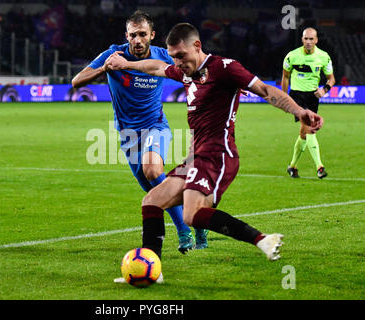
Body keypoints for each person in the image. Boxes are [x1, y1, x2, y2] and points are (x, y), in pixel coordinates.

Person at [107, 23, 324, 281]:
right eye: (173, 56)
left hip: (218, 154)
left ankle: (262, 239)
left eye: (181, 56)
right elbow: (155, 67)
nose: (177, 62)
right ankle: (152, 271)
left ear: (197, 46)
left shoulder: (225, 68)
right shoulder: (184, 72)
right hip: (196, 155)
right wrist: (126, 65)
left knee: (191, 214)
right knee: (151, 201)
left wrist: (299, 111)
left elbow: (265, 90)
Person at [72, 11, 208, 252]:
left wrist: (228, 85)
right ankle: (197, 219)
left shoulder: (162, 56)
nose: (137, 40)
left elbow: (193, 69)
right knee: (156, 191)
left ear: (152, 35)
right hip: (128, 136)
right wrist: (104, 68)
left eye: (142, 34)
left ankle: (184, 232)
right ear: (126, 36)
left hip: (156, 126)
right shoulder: (114, 54)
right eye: (133, 35)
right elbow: (76, 81)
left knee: (152, 169)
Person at [282, 27, 335, 179]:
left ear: (316, 40)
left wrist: (324, 90)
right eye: (306, 39)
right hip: (296, 97)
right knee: (310, 128)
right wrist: (285, 99)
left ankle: (292, 167)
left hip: (313, 98)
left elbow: (331, 79)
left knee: (304, 133)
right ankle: (320, 167)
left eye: (311, 39)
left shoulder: (324, 57)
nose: (308, 42)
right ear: (302, 40)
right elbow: (285, 77)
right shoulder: (292, 56)